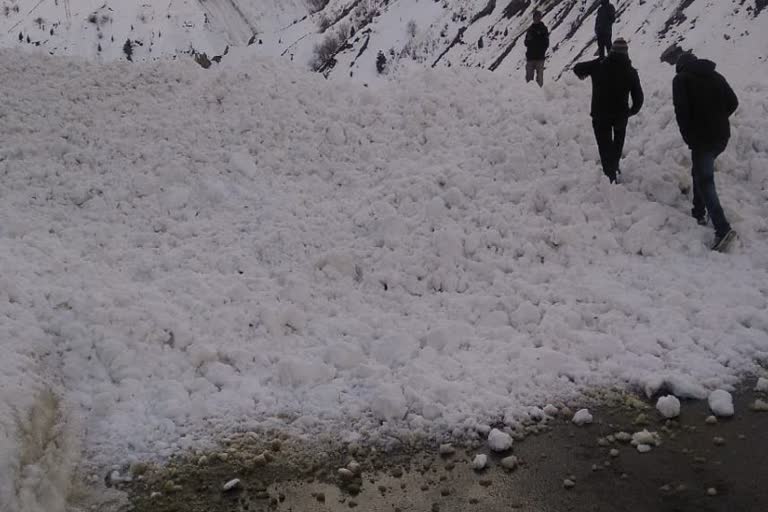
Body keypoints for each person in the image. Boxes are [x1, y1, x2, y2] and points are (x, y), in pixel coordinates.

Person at [673, 52, 738, 251]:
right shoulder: (716, 76)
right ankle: (698, 211)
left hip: (702, 138)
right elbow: (733, 102)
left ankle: (722, 228)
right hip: (721, 136)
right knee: (700, 171)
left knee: (705, 180)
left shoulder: (681, 79)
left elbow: (681, 110)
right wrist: (718, 117)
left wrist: (688, 135)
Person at [573, 38, 643, 184]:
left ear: (612, 51)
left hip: (600, 115)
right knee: (617, 143)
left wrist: (594, 65)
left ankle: (609, 175)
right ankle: (614, 166)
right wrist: (630, 112)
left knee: (604, 146)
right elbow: (639, 100)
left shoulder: (599, 65)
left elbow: (577, 68)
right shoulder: (630, 72)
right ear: (626, 53)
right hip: (620, 116)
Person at [524, 10, 549, 87]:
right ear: (533, 18)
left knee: (540, 79)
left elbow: (546, 43)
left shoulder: (543, 29)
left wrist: (542, 50)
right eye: (536, 17)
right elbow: (525, 43)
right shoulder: (530, 29)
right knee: (529, 78)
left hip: (539, 58)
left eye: (539, 16)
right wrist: (528, 40)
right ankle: (529, 93)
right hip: (530, 57)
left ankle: (539, 95)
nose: (537, 18)